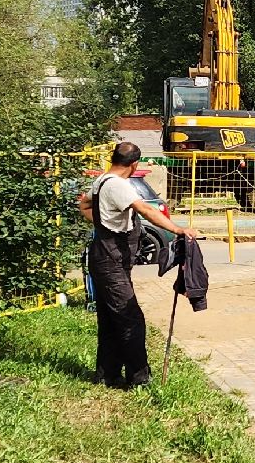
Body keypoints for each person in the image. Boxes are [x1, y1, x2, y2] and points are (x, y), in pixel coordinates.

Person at [83, 142, 202, 389]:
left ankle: (107, 375)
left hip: (104, 258)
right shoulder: (118, 185)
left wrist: (103, 222)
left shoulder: (102, 181)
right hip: (111, 262)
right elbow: (146, 209)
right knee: (131, 319)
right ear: (134, 164)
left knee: (109, 320)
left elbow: (84, 205)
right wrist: (178, 229)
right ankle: (139, 379)